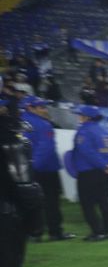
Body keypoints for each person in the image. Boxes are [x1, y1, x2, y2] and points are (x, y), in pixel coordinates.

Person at [1, 96, 44, 267]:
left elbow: (26, 187)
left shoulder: (8, 137)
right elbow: (27, 188)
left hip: (5, 218)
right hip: (8, 216)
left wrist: (35, 222)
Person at [20, 96, 74, 241]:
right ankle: (55, 232)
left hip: (23, 169)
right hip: (45, 169)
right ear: (30, 108)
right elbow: (46, 148)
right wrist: (35, 166)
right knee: (51, 202)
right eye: (41, 107)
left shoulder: (18, 122)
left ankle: (33, 233)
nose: (45, 110)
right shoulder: (44, 125)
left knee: (30, 203)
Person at [67, 105, 108, 242]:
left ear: (87, 117)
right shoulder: (105, 132)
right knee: (104, 202)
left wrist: (104, 165)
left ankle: (97, 232)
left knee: (87, 203)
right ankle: (107, 231)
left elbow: (87, 152)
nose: (79, 117)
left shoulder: (83, 131)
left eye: (80, 115)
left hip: (89, 172)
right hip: (106, 173)